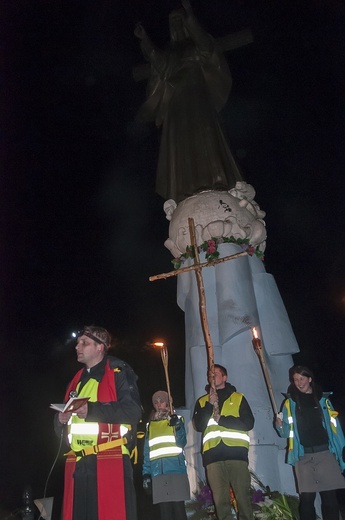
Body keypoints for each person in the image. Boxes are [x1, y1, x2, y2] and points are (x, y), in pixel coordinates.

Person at [134, 0, 242, 202]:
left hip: (197, 97)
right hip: (176, 104)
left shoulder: (195, 45)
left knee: (205, 134)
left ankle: (217, 179)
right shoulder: (171, 53)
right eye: (172, 22)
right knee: (180, 142)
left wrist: (190, 14)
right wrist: (144, 39)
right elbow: (158, 61)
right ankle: (184, 187)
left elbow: (207, 47)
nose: (176, 25)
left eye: (178, 20)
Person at [54, 326, 142, 520]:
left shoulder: (119, 370)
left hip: (110, 459)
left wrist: (91, 410)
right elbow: (66, 426)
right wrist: (60, 421)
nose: (77, 346)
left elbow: (133, 411)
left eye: (84, 343)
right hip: (78, 464)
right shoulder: (76, 380)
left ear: (100, 347)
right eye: (78, 342)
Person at [275, 365, 345, 520]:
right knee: (306, 499)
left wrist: (341, 450)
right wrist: (279, 425)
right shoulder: (289, 403)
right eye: (296, 380)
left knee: (329, 497)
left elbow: (335, 428)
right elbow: (285, 433)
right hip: (303, 455)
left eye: (302, 378)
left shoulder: (323, 400)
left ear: (310, 379)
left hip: (326, 453)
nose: (299, 383)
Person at [193, 364, 254, 520]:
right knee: (220, 502)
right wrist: (209, 404)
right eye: (210, 375)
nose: (212, 377)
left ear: (225, 377)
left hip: (236, 455)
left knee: (243, 499)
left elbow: (248, 423)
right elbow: (199, 425)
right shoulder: (202, 401)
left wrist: (223, 420)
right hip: (213, 458)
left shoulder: (238, 398)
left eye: (216, 374)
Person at [142, 390, 190, 520]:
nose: (159, 404)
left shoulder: (177, 419)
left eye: (162, 401)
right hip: (158, 474)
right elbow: (147, 452)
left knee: (179, 511)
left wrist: (177, 426)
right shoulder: (150, 425)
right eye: (156, 402)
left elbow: (182, 442)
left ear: (168, 403)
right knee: (165, 514)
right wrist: (146, 474)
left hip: (176, 471)